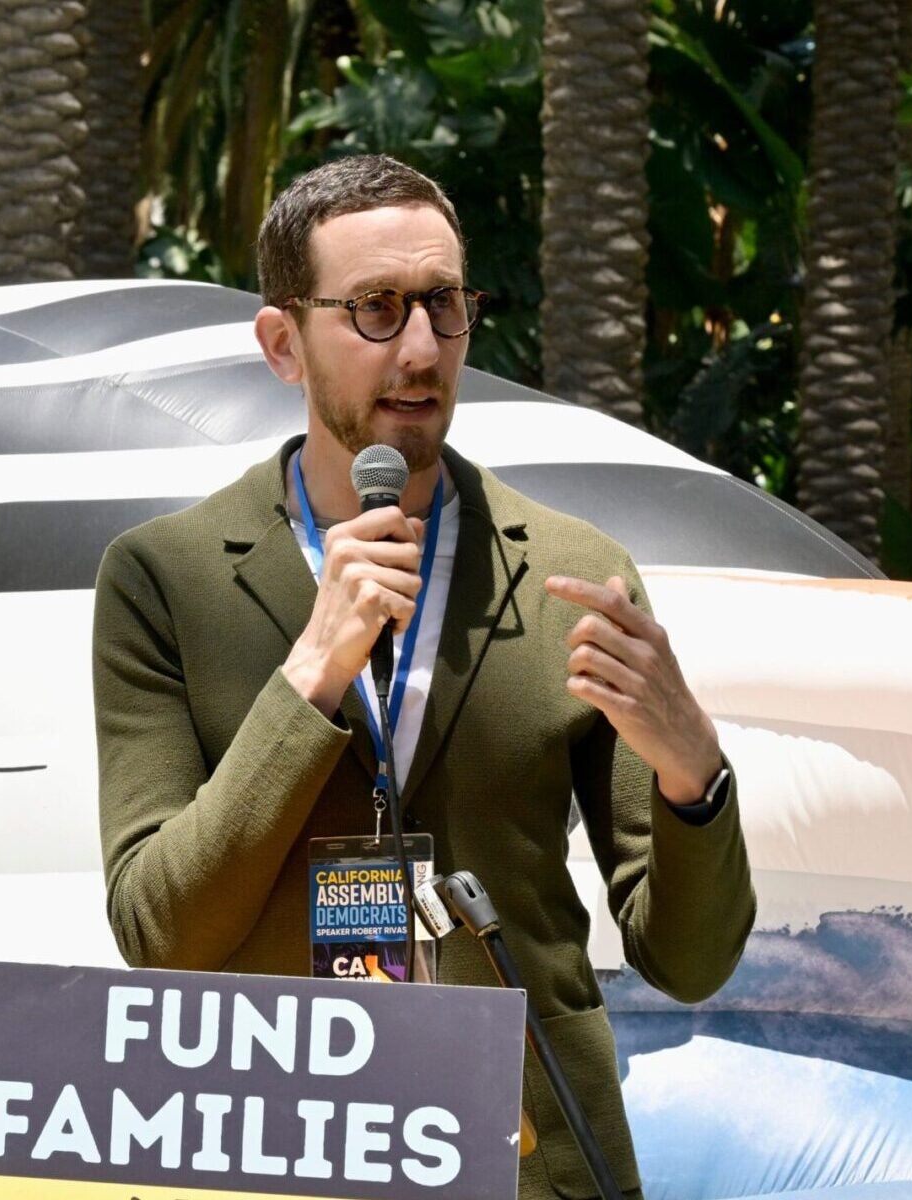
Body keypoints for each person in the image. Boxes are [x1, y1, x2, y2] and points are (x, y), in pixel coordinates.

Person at [91, 153, 756, 1199]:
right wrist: (312, 673)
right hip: (283, 1153)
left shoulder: (576, 575)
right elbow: (158, 933)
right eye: (374, 308)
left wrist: (695, 778)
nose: (418, 349)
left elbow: (691, 962)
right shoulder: (163, 580)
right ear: (283, 344)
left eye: (443, 305)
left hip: (528, 1164)